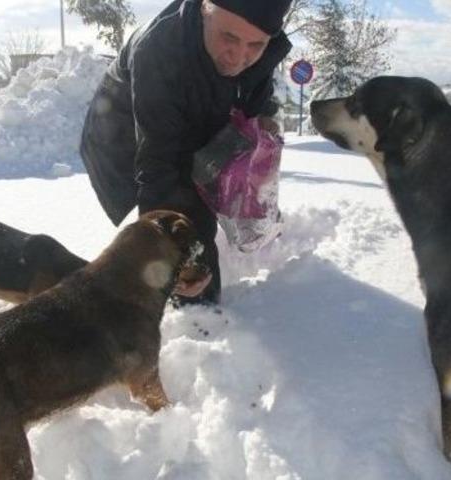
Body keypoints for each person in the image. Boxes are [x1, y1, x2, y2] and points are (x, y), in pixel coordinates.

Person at [80, 0, 293, 305]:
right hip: (127, 138)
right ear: (205, 8)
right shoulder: (158, 51)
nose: (239, 56)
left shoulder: (258, 46)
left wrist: (261, 123)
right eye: (229, 37)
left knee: (202, 204)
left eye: (256, 44)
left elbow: (254, 96)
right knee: (187, 243)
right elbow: (158, 165)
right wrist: (168, 258)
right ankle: (196, 328)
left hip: (199, 126)